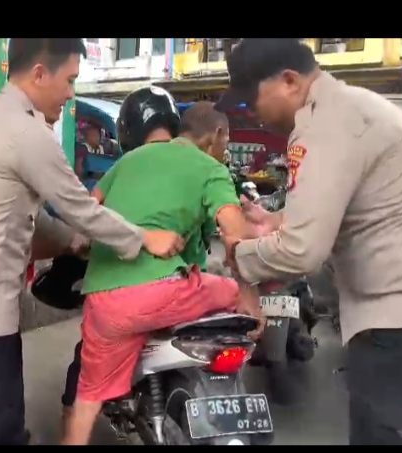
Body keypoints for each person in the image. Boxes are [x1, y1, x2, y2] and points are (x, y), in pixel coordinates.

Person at [0, 39, 186, 446]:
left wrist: (73, 242)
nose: (70, 94)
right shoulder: (25, 133)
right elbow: (81, 207)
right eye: (69, 80)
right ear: (39, 74)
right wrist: (144, 238)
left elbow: (25, 218)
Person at [216, 38, 402, 445]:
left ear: (289, 81)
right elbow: (355, 207)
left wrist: (239, 256)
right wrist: (277, 220)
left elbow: (301, 251)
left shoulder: (323, 124)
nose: (251, 112)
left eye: (251, 99)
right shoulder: (351, 107)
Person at [61, 95, 266, 445]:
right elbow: (236, 236)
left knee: (88, 398)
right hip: (164, 293)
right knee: (230, 291)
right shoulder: (210, 169)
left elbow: (82, 230)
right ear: (216, 135)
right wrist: (251, 299)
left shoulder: (123, 163)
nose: (226, 151)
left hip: (105, 304)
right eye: (227, 142)